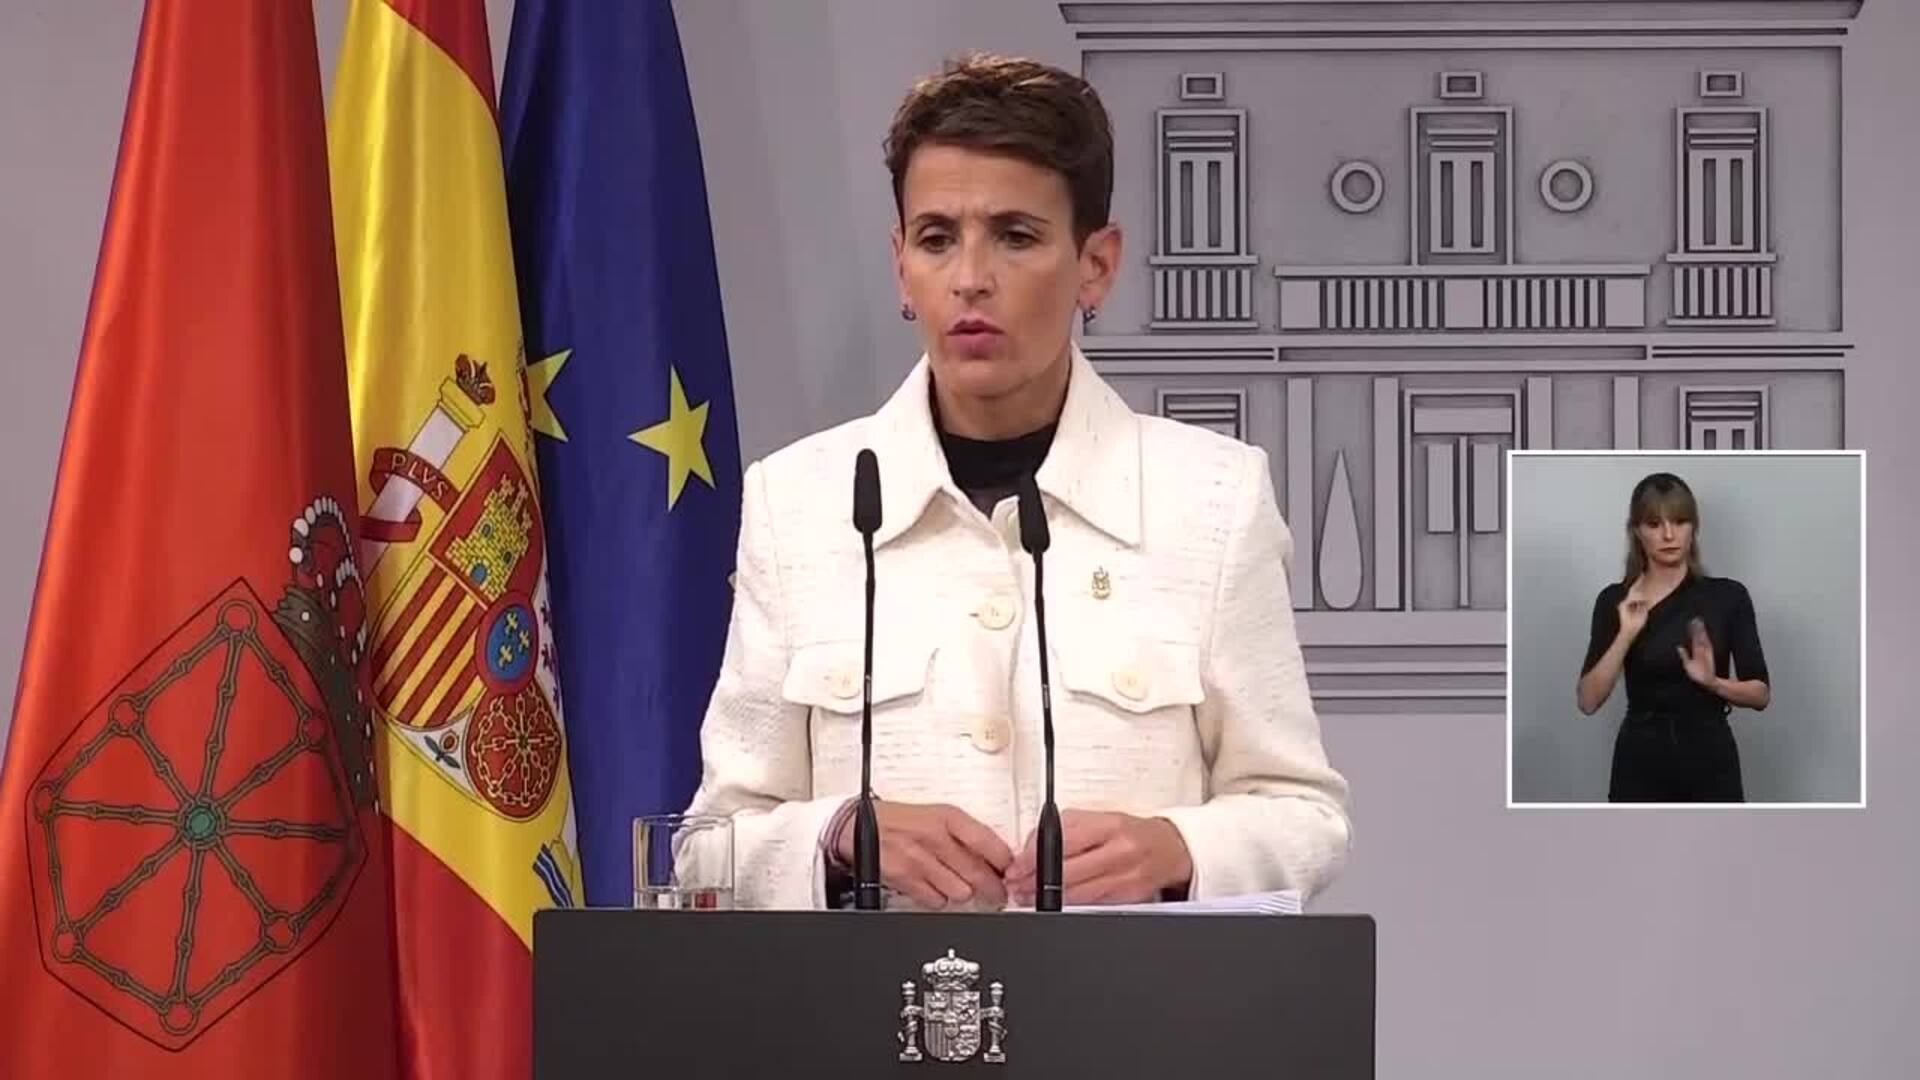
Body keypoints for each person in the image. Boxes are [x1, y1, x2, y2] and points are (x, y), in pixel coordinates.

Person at [680, 53, 1350, 909]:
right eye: (936, 238)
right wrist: (840, 834)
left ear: (1096, 264)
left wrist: (1175, 848)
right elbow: (709, 843)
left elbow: (1303, 814)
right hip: (871, 998)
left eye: (1016, 236)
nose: (970, 278)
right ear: (901, 265)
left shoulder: (1212, 499)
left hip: (1122, 995)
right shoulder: (798, 502)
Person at [1576, 472, 1771, 802]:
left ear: (1693, 527)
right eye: (1654, 524)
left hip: (1710, 757)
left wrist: (1714, 683)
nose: (1669, 535)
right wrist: (1626, 633)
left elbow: (1761, 694)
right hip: (1640, 760)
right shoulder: (1615, 600)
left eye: (1679, 522)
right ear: (1637, 531)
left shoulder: (1728, 597)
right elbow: (1588, 700)